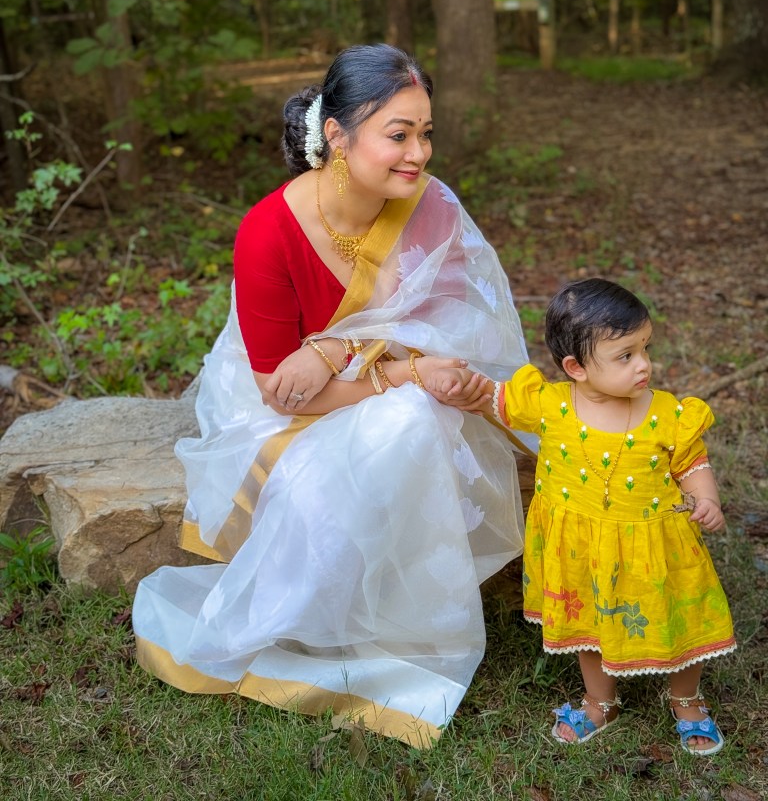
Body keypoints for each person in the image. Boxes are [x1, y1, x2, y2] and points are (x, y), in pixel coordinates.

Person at [132, 43, 535, 748]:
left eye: (426, 133)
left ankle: (400, 625)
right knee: (406, 420)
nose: (419, 153)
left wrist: (335, 348)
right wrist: (395, 373)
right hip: (277, 406)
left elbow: (456, 326)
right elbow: (281, 392)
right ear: (338, 137)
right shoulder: (268, 231)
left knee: (418, 414)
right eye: (399, 134)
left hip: (383, 382)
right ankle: (326, 626)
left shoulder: (429, 205)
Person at [427, 278, 736, 755]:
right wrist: (454, 383)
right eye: (625, 355)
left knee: (678, 617)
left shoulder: (668, 414)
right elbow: (491, 397)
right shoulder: (550, 405)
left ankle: (686, 698)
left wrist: (706, 499)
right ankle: (600, 701)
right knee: (589, 626)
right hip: (580, 549)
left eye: (645, 348)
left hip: (653, 546)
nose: (644, 364)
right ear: (576, 368)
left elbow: (692, 464)